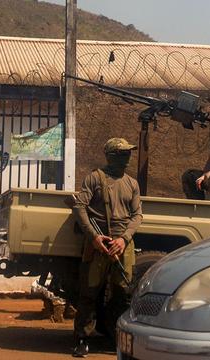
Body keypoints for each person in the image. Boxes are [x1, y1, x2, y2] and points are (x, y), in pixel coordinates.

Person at [70, 138, 143, 357]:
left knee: (122, 295)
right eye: (122, 154)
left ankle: (119, 339)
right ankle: (82, 339)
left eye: (128, 154)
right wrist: (94, 237)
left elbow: (137, 215)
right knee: (89, 294)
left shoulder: (132, 183)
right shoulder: (94, 178)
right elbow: (79, 206)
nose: (127, 158)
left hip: (123, 246)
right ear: (110, 156)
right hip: (99, 246)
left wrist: (124, 239)